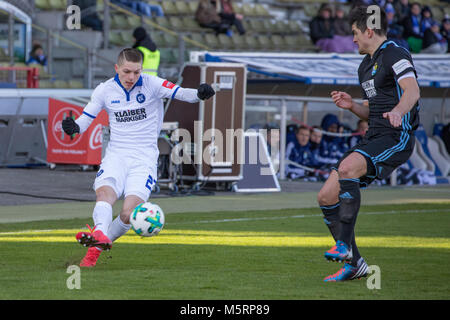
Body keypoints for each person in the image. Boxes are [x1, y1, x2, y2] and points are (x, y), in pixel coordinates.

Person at [61, 48, 215, 267]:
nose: (132, 77)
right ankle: (99, 234)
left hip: (144, 159)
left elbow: (182, 93)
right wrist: (74, 127)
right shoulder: (105, 90)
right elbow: (86, 118)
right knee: (105, 194)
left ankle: (95, 248)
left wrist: (199, 94)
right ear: (116, 69)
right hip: (116, 155)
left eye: (136, 72)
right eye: (126, 72)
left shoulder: (152, 84)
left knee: (128, 214)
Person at [318, 5, 420, 282]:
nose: (353, 40)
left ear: (369, 31)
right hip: (373, 137)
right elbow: (371, 110)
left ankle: (343, 246)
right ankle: (355, 264)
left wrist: (399, 111)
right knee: (326, 196)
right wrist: (352, 106)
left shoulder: (395, 53)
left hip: (395, 137)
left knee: (348, 168)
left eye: (355, 33)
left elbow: (412, 90)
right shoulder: (365, 66)